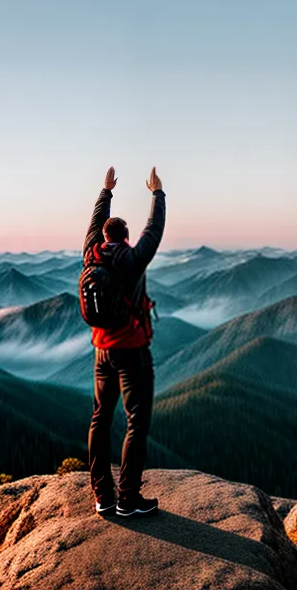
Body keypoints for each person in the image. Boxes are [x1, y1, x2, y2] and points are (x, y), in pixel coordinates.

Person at [84, 165, 166, 518]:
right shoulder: (133, 260)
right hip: (132, 351)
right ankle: (128, 498)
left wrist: (106, 191)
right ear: (127, 236)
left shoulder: (91, 252)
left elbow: (94, 222)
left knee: (101, 417)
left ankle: (103, 496)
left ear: (103, 236)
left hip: (102, 352)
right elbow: (155, 230)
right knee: (136, 421)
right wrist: (157, 194)